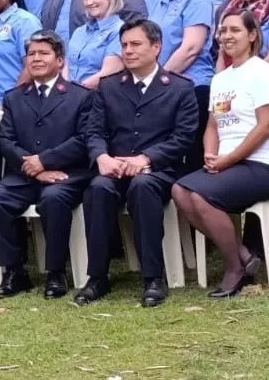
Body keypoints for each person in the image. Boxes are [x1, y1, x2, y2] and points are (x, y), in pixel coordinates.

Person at [173, 9, 269, 296]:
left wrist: (228, 159)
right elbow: (212, 126)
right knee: (180, 190)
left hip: (268, 164)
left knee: (202, 197)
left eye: (235, 30)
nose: (226, 36)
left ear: (252, 35)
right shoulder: (221, 79)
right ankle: (242, 253)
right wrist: (210, 154)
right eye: (223, 30)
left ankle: (235, 268)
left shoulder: (263, 72)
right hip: (232, 164)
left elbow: (265, 127)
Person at [76, 18, 199, 307]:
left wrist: (146, 159)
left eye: (135, 44)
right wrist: (102, 157)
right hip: (114, 168)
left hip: (158, 171)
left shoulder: (180, 88)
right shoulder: (109, 86)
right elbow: (93, 131)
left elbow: (184, 138)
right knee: (97, 189)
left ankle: (153, 278)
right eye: (124, 45)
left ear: (156, 47)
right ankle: (97, 277)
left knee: (143, 187)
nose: (128, 51)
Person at [0, 30, 93, 299]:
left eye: (43, 53)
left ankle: (55, 272)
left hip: (66, 173)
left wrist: (45, 161)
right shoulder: (14, 97)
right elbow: (5, 140)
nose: (36, 59)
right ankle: (14, 272)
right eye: (31, 54)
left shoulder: (81, 96)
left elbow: (84, 139)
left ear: (60, 60)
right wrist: (33, 167)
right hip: (24, 174)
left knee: (54, 199)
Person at [145, 0, 216, 175]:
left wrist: (158, 79)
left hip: (192, 86)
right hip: (162, 87)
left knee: (191, 158)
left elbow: (191, 48)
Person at [67, 0, 125, 87]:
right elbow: (67, 66)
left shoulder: (121, 31)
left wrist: (75, 94)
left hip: (98, 99)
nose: (89, 2)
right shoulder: (79, 32)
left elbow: (108, 73)